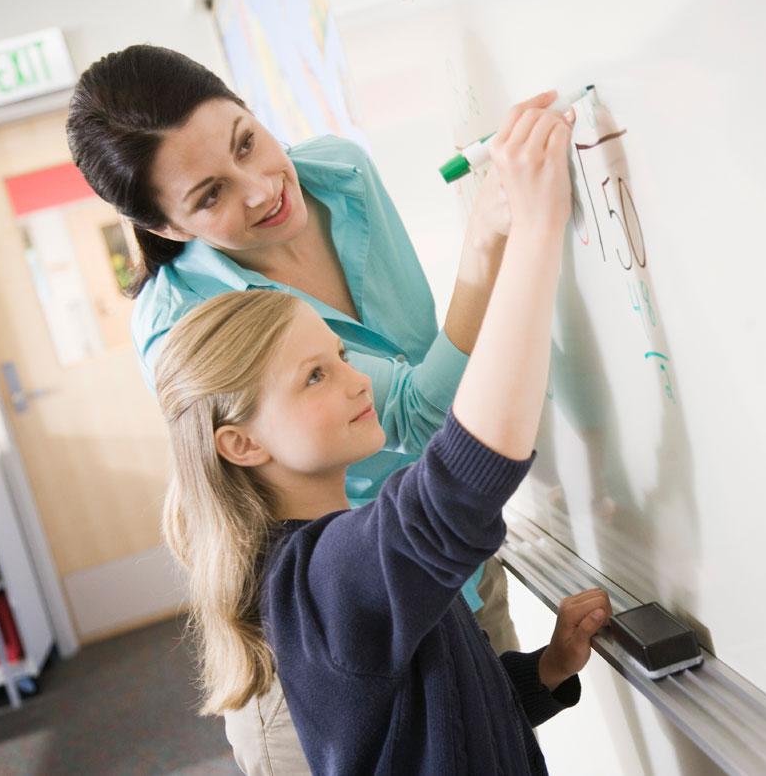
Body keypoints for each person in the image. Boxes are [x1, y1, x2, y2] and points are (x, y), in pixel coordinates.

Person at [155, 89, 611, 774]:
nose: (356, 381)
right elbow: (458, 483)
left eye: (339, 358)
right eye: (313, 376)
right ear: (241, 442)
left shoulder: (344, 559)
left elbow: (438, 729)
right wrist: (537, 230)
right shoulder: (323, 579)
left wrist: (542, 672)